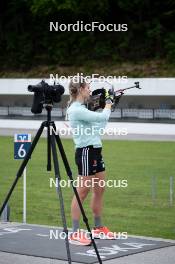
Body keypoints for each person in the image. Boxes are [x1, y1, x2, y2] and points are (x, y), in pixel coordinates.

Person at [66, 77, 115, 246]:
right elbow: (101, 118)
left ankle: (98, 228)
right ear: (80, 89)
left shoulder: (83, 108)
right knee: (82, 191)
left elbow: (100, 126)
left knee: (100, 189)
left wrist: (105, 108)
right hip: (85, 152)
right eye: (87, 87)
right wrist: (108, 103)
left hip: (95, 150)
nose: (90, 90)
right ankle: (74, 233)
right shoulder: (76, 110)